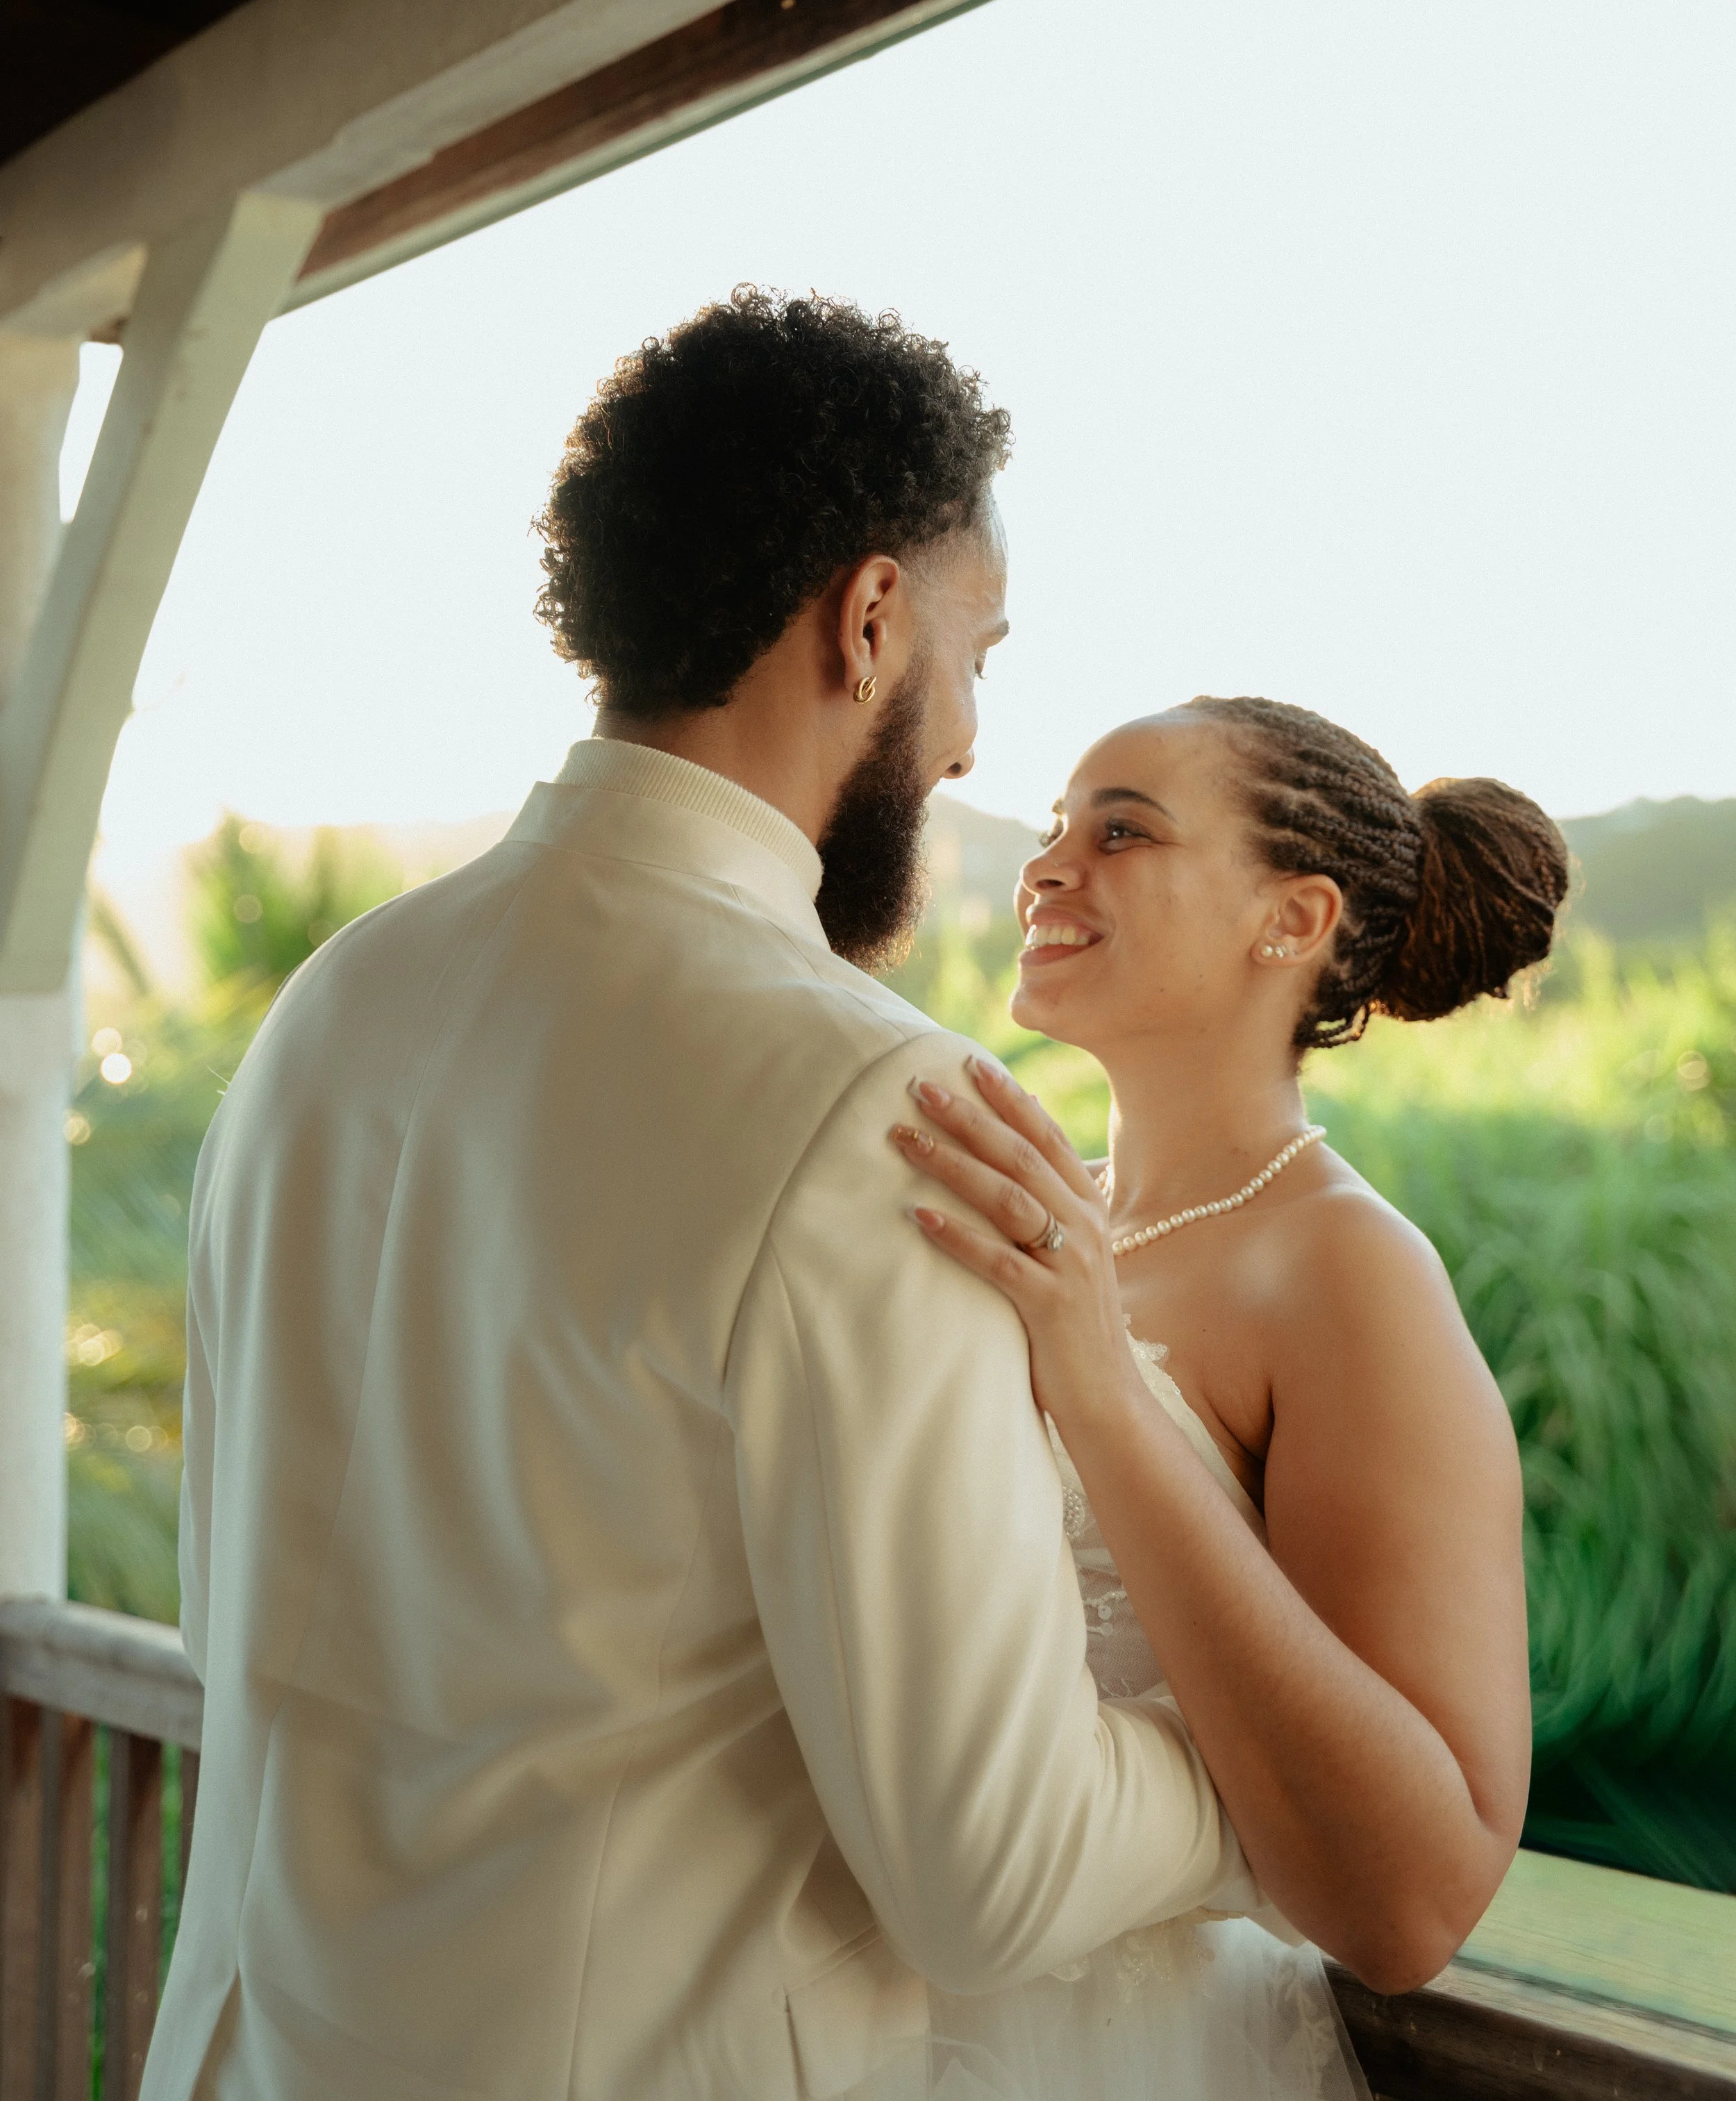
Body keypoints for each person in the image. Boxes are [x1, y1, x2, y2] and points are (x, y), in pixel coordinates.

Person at [142, 295, 1267, 2101]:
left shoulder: (331, 1005)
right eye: (978, 649)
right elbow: (993, 1862)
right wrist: (1259, 1775)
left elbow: (233, 1610)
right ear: (871, 617)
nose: (971, 738)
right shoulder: (871, 1100)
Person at [891, 696, 1569, 2099]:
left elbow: (1413, 1906)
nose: (1046, 866)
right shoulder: (1051, 1213)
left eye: (1119, 829)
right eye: (1050, 830)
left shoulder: (1346, 1272)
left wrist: (1099, 1392)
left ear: (1291, 919)